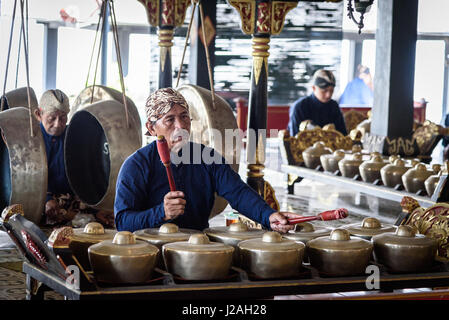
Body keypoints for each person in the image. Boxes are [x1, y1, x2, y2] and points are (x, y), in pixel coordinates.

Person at [114, 87, 301, 233]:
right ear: (152, 128)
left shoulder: (207, 157)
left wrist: (269, 216)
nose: (180, 126)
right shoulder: (136, 165)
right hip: (149, 253)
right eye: (170, 120)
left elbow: (238, 193)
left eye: (184, 117)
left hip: (197, 251)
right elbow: (123, 222)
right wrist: (161, 213)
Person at [34, 89, 113, 227]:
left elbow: (88, 176)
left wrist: (97, 209)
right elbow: (27, 181)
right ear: (39, 114)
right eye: (52, 118)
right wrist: (46, 199)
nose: (58, 124)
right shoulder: (30, 140)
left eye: (63, 117)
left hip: (72, 201)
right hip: (40, 201)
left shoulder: (75, 135)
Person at [287, 69, 347, 137]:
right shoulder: (300, 107)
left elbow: (343, 135)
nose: (328, 95)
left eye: (331, 91)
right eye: (324, 91)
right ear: (314, 88)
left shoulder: (334, 106)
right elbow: (294, 137)